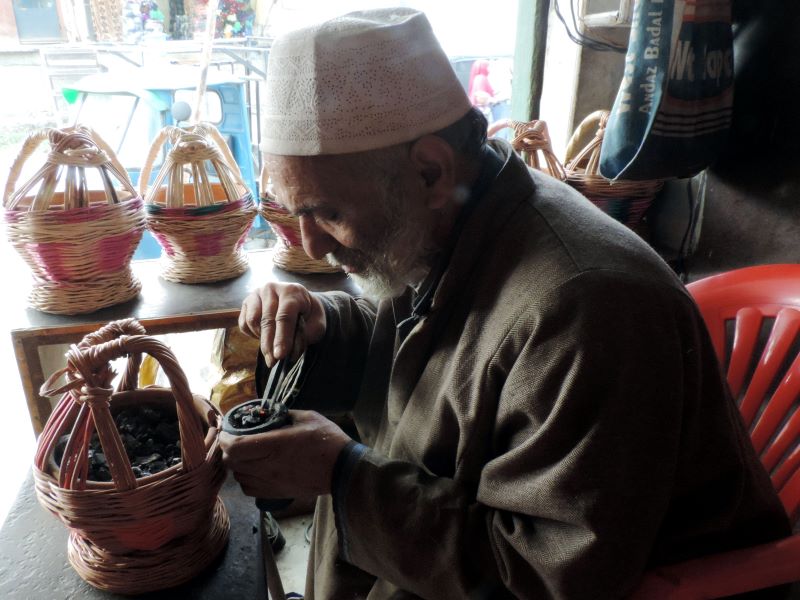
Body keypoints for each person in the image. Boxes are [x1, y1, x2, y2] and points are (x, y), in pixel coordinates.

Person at [220, 8, 790, 599]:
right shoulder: (445, 218)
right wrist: (327, 325)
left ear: (430, 171)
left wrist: (342, 477)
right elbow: (442, 358)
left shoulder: (590, 309)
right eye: (295, 212)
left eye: (328, 214)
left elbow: (544, 578)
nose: (311, 246)